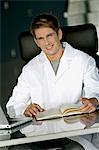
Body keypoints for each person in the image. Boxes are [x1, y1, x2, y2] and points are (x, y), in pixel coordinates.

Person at [6, 13, 99, 118]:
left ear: (59, 34)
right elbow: (12, 106)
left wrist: (94, 101)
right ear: (36, 42)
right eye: (41, 38)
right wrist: (25, 110)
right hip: (44, 130)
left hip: (78, 126)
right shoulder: (29, 69)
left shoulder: (84, 60)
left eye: (49, 35)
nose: (46, 43)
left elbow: (95, 90)